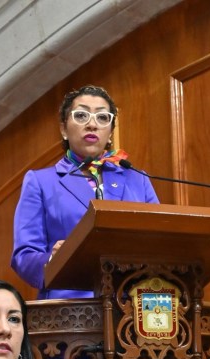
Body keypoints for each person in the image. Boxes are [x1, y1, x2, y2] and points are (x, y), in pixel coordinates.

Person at [11, 85, 159, 299]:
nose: (92, 124)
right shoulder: (40, 181)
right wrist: (53, 259)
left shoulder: (138, 179)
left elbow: (158, 242)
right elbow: (23, 256)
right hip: (70, 309)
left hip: (133, 308)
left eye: (102, 117)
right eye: (81, 115)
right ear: (63, 129)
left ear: (110, 132)